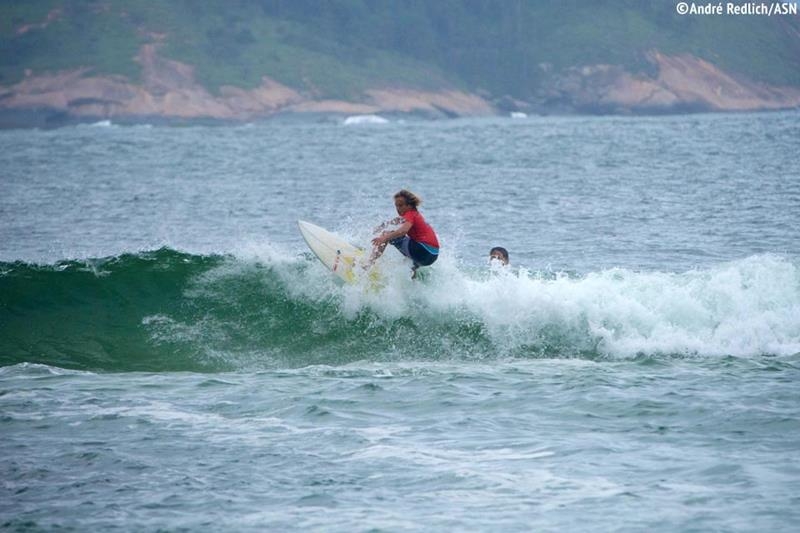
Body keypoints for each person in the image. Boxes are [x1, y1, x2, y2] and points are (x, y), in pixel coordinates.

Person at [370, 189, 439, 278]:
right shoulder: (416, 215)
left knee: (386, 234)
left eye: (401, 205)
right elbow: (398, 220)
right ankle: (413, 284)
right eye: (396, 206)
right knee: (411, 263)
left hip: (422, 250)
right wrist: (384, 225)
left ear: (410, 205)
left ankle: (368, 264)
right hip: (432, 256)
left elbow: (403, 230)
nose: (398, 209)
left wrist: (385, 237)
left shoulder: (410, 214)